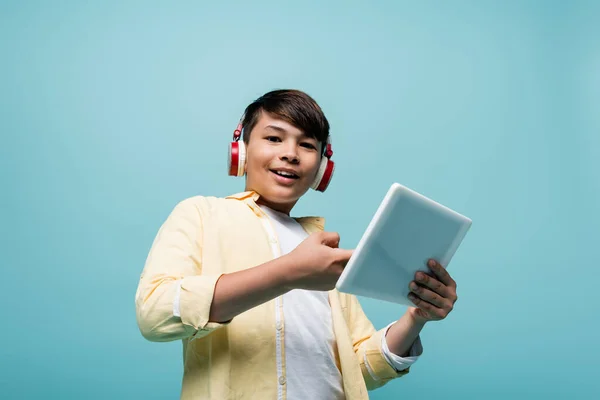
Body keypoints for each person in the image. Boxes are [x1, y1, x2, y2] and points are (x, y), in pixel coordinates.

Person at [134, 89, 459, 400]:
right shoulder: (201, 215)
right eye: (274, 138)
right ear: (242, 149)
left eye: (306, 145)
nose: (290, 153)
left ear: (321, 167)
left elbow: (358, 369)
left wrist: (417, 316)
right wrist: (289, 272)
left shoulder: (322, 254)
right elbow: (154, 313)